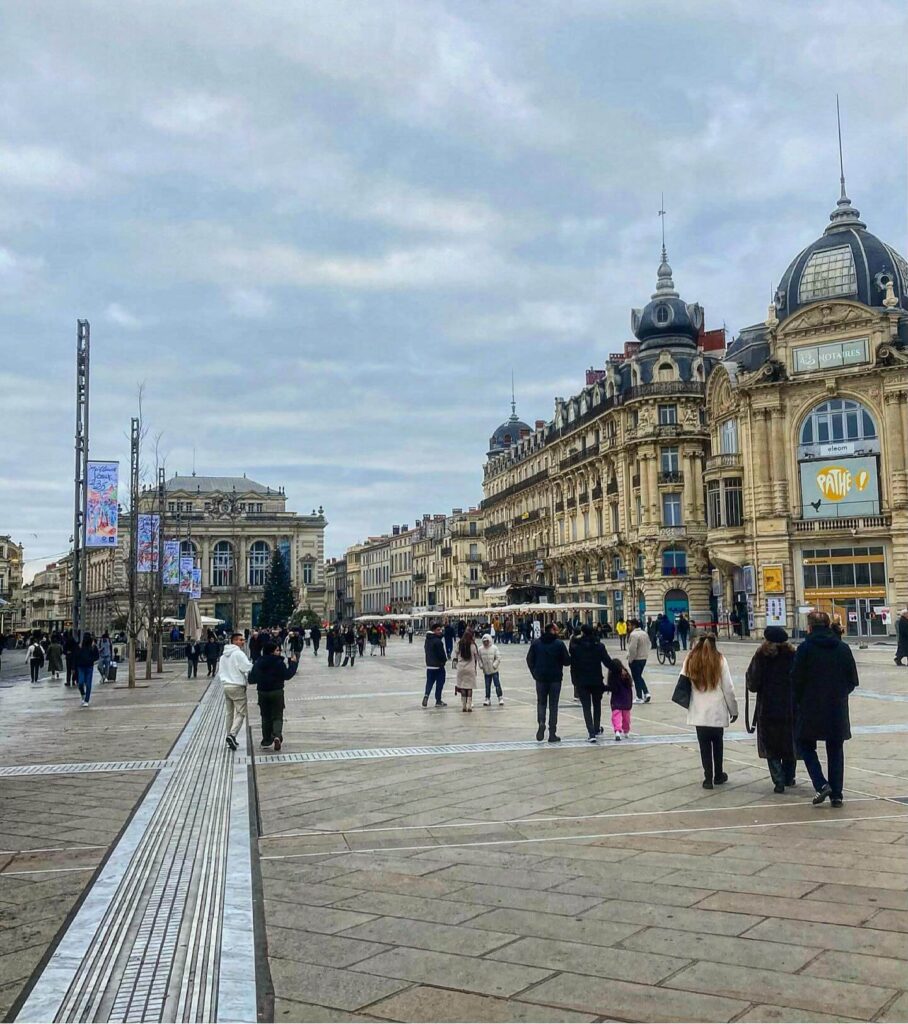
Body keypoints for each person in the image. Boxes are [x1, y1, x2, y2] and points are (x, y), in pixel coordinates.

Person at [792, 610, 859, 808]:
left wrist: (800, 699)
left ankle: (821, 784)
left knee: (805, 744)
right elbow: (853, 680)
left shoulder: (804, 649)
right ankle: (837, 794)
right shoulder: (843, 648)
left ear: (809, 627)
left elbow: (795, 679)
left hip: (810, 707)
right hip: (836, 707)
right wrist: (840, 693)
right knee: (835, 749)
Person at [682, 634, 738, 789]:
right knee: (718, 743)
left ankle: (708, 778)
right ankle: (718, 775)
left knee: (704, 745)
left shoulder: (691, 658)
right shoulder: (720, 660)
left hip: (699, 710)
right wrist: (734, 710)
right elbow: (728, 688)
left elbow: (683, 679)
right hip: (716, 710)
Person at [746, 626, 797, 793]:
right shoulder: (793, 655)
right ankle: (789, 777)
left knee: (771, 745)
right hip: (790, 706)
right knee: (789, 742)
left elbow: (752, 683)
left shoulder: (761, 656)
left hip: (768, 707)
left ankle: (778, 780)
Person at [249, 638, 298, 751]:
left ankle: (266, 740)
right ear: (271, 651)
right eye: (277, 650)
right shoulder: (278, 662)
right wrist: (293, 664)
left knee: (265, 716)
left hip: (262, 692)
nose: (279, 652)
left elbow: (251, 679)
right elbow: (287, 675)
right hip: (277, 692)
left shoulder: (258, 662)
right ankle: (276, 736)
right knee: (277, 716)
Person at [527, 622, 571, 743]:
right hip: (555, 679)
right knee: (553, 705)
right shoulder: (559, 644)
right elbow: (567, 661)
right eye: (556, 629)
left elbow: (529, 659)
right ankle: (552, 733)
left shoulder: (536, 643)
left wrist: (534, 673)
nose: (558, 631)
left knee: (541, 703)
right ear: (551, 630)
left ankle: (541, 722)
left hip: (540, 678)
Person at [569, 624, 612, 742]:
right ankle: (597, 727)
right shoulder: (599, 646)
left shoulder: (576, 646)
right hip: (596, 680)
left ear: (582, 633)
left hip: (582, 681)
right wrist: (619, 669)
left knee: (586, 707)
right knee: (597, 704)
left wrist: (574, 680)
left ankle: (591, 733)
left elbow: (572, 663)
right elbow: (607, 662)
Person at [221, 632, 253, 751]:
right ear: (234, 641)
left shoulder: (223, 655)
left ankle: (229, 736)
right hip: (237, 685)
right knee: (241, 712)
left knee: (229, 713)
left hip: (226, 685)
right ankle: (232, 734)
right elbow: (246, 667)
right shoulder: (238, 654)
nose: (243, 642)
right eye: (241, 640)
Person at [606, 659, 634, 740]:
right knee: (626, 717)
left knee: (616, 716)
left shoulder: (612, 676)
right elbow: (630, 685)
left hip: (616, 699)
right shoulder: (626, 674)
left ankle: (617, 731)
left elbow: (612, 688)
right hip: (626, 699)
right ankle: (626, 731)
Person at [453, 629, 480, 712]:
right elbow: (476, 657)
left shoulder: (459, 644)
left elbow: (455, 655)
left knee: (462, 687)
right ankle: (469, 705)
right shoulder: (473, 646)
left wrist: (455, 664)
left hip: (461, 668)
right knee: (469, 688)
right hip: (470, 668)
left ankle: (463, 706)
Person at [422, 622, 448, 708]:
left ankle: (426, 695)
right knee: (440, 683)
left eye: (440, 629)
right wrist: (444, 661)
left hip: (429, 665)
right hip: (438, 666)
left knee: (429, 682)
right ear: (433, 630)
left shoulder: (427, 640)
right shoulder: (437, 641)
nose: (440, 631)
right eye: (438, 630)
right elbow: (441, 654)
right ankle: (438, 700)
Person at [626, 619, 652, 703]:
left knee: (636, 678)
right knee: (639, 676)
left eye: (629, 625)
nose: (628, 627)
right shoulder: (644, 633)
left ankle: (639, 696)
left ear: (633, 625)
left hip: (636, 659)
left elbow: (632, 648)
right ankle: (646, 692)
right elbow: (649, 644)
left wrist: (630, 659)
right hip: (643, 658)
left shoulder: (633, 635)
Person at [478, 633, 504, 706]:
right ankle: (487, 698)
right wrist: (481, 665)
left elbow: (498, 657)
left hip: (494, 670)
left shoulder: (494, 648)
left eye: (487, 641)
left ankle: (500, 697)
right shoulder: (480, 649)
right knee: (487, 685)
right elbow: (479, 658)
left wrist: (494, 665)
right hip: (486, 671)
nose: (485, 642)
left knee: (497, 684)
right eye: (484, 641)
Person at [75, 633, 99, 707]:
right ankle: (83, 694)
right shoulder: (80, 646)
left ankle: (86, 700)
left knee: (88, 684)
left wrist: (91, 660)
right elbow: (76, 656)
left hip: (89, 667)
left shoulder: (93, 647)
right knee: (81, 683)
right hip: (81, 667)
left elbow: (97, 656)